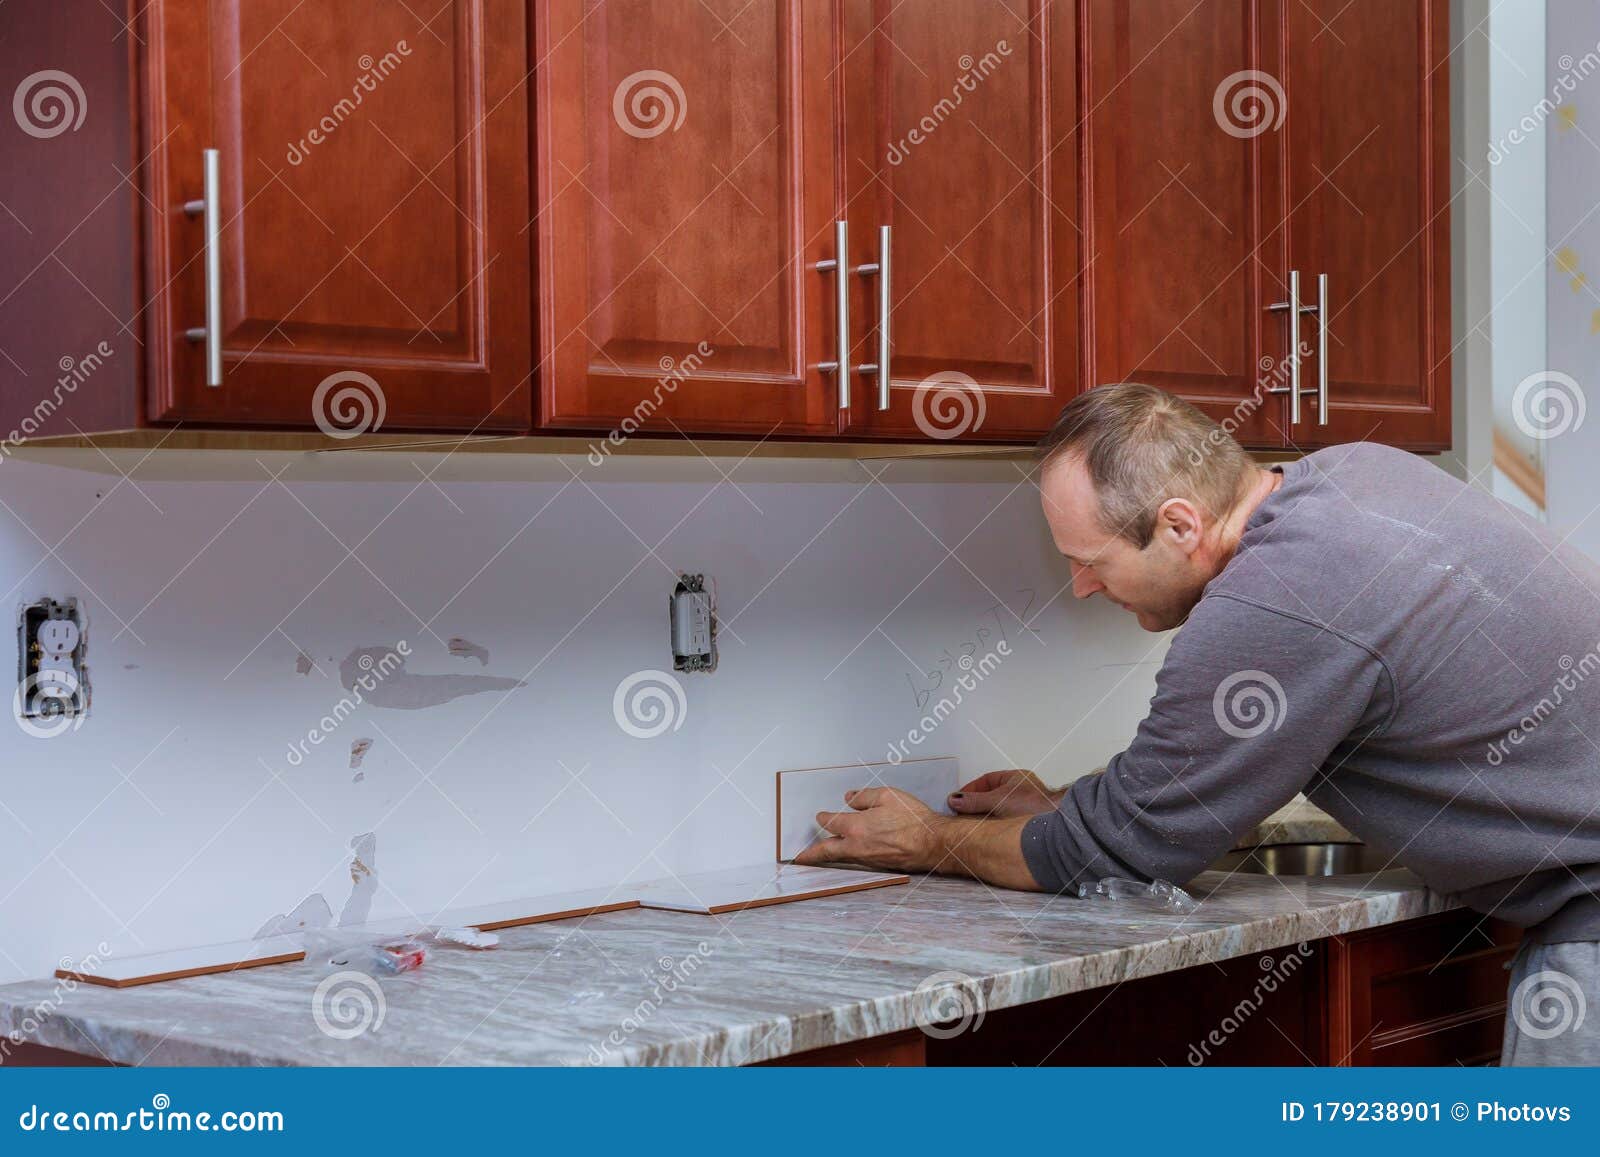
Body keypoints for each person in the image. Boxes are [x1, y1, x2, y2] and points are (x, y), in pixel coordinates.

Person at [795, 382, 1600, 1066]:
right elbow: (1200, 773)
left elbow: (1122, 848)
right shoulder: (1356, 474)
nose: (1079, 586)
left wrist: (930, 840)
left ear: (1180, 526)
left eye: (1092, 560)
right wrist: (1072, 800)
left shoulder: (1273, 600)